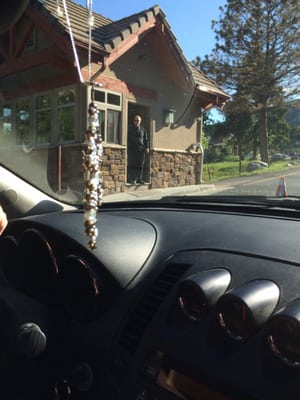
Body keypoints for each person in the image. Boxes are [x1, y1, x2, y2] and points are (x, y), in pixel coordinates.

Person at [127, 114, 150, 184]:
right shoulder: (130, 129)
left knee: (140, 165)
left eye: (138, 120)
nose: (137, 122)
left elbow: (146, 139)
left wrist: (147, 147)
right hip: (133, 150)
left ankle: (140, 179)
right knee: (134, 165)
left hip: (141, 150)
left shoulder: (143, 129)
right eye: (135, 120)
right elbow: (128, 139)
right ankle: (133, 179)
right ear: (133, 121)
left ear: (140, 121)